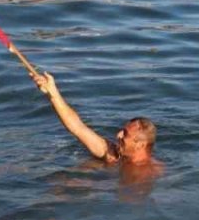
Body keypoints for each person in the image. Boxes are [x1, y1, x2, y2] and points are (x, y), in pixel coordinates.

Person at [32, 71, 162, 179]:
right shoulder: (112, 153)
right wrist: (53, 93)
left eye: (125, 134)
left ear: (141, 144)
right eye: (122, 131)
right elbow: (77, 127)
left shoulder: (152, 172)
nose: (118, 134)